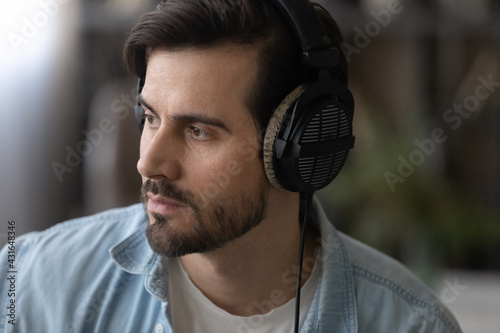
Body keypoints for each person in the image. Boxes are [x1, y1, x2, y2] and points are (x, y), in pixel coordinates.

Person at [0, 0, 462, 332]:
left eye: (199, 131)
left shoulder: (410, 323)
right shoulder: (33, 282)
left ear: (299, 148)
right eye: (150, 118)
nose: (148, 162)